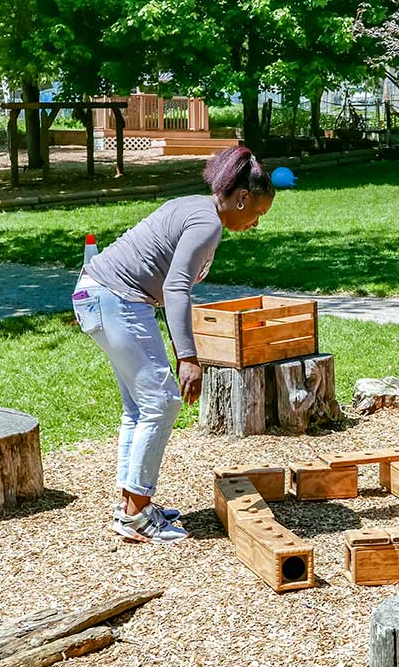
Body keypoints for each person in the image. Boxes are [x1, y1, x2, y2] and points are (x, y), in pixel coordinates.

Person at [70, 146, 274, 544]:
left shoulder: (195, 207)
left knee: (140, 406)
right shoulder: (207, 223)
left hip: (95, 295)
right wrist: (188, 357)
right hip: (116, 298)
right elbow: (176, 287)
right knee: (162, 401)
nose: (254, 223)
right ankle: (135, 515)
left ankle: (132, 502)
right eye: (257, 214)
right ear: (242, 198)